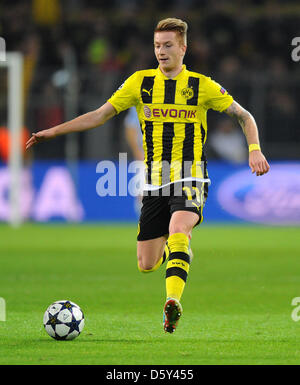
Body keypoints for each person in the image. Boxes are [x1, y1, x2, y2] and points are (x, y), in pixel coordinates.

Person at [26, 18, 270, 333]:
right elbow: (99, 115)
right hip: (155, 180)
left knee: (180, 226)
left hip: (190, 172)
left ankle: (172, 302)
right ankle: (176, 250)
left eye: (168, 45)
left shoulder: (202, 85)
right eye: (157, 45)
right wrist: (53, 131)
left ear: (183, 48)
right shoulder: (139, 83)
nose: (161, 51)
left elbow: (244, 116)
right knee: (147, 263)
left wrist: (254, 149)